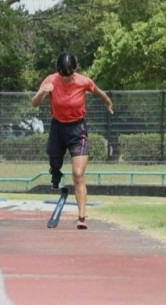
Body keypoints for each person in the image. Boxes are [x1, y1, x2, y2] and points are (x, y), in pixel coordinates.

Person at [32, 52, 113, 230]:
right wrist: (42, 93)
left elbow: (97, 91)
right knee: (55, 164)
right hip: (58, 128)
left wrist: (108, 102)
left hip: (77, 130)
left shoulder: (83, 81)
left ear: (74, 71)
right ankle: (56, 176)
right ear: (59, 72)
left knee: (78, 174)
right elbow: (35, 103)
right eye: (63, 76)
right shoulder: (51, 80)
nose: (66, 79)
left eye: (69, 76)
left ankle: (82, 217)